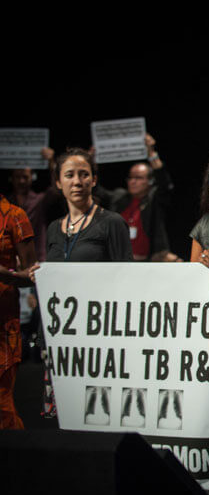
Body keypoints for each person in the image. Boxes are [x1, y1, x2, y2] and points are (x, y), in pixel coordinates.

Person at [32, 148, 133, 418]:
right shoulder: (54, 228)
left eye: (83, 175)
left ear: (94, 180)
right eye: (69, 175)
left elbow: (128, 281)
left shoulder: (112, 223)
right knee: (63, 422)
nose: (77, 181)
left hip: (98, 338)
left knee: (96, 418)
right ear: (58, 182)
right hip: (59, 336)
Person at [104, 134, 177, 261]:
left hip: (147, 264)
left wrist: (152, 153)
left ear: (150, 181)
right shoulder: (119, 197)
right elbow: (96, 191)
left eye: (138, 178)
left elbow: (164, 184)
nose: (133, 181)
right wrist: (91, 161)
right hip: (117, 263)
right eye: (131, 177)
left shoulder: (153, 199)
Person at [0, 193, 35, 429]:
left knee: (2, 403)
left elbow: (32, 274)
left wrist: (4, 274)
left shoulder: (14, 216)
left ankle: (15, 463)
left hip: (2, 323)